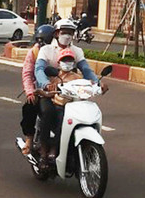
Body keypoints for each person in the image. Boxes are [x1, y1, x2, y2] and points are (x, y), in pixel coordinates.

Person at [34, 19, 103, 159]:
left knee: (69, 116)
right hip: (50, 93)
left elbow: (86, 70)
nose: (67, 35)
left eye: (70, 32)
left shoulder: (76, 51)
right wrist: (46, 84)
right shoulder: (46, 50)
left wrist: (97, 83)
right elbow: (39, 69)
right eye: (64, 32)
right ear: (56, 33)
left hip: (70, 94)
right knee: (48, 112)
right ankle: (44, 148)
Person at [19, 24, 54, 156]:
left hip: (61, 90)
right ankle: (29, 138)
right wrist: (30, 91)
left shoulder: (60, 51)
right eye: (39, 40)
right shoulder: (34, 52)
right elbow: (27, 73)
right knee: (29, 107)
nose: (42, 43)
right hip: (40, 90)